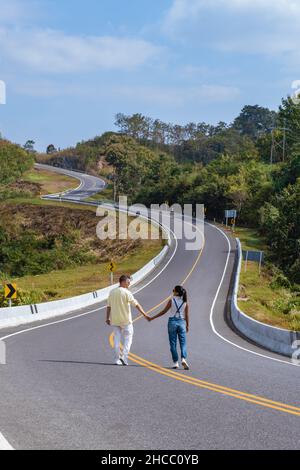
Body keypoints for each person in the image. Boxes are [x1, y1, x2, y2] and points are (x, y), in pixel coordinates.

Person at [106, 275, 148, 366]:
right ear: (123, 282)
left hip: (115, 320)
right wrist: (144, 314)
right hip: (126, 321)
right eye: (128, 282)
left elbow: (108, 306)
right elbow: (136, 304)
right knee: (128, 339)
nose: (129, 284)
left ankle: (117, 359)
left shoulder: (112, 292)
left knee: (116, 339)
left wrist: (107, 318)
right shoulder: (127, 292)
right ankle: (124, 358)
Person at [149, 285, 190, 370]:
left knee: (173, 343)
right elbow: (186, 315)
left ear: (176, 292)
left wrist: (153, 317)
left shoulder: (171, 300)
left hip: (172, 322)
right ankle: (183, 358)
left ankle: (175, 362)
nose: (172, 291)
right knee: (183, 342)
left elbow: (164, 311)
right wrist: (187, 325)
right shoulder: (185, 302)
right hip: (182, 322)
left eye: (173, 290)